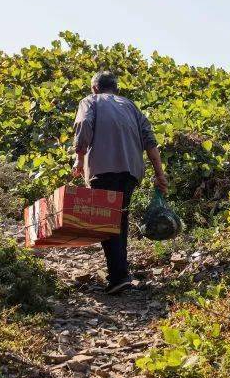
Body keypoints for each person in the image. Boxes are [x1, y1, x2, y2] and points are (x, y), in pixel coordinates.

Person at [72, 71, 168, 295]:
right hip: (131, 172)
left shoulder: (90, 101)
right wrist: (159, 174)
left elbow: (84, 123)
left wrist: (79, 158)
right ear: (115, 89)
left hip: (103, 170)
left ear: (95, 88)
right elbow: (150, 140)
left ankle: (118, 277)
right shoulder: (131, 106)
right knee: (120, 220)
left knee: (107, 222)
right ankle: (121, 273)